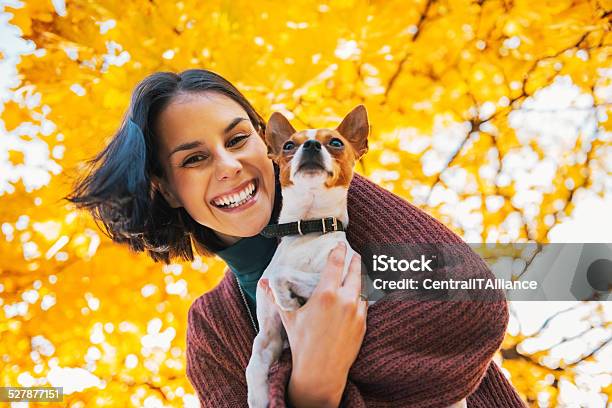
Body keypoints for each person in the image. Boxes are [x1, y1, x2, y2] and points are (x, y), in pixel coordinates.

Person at [67, 69, 526, 407]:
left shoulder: (348, 205)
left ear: (266, 145)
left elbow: (472, 311)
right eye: (194, 160)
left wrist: (291, 383)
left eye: (238, 139)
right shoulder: (212, 331)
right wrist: (314, 384)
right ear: (166, 189)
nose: (228, 166)